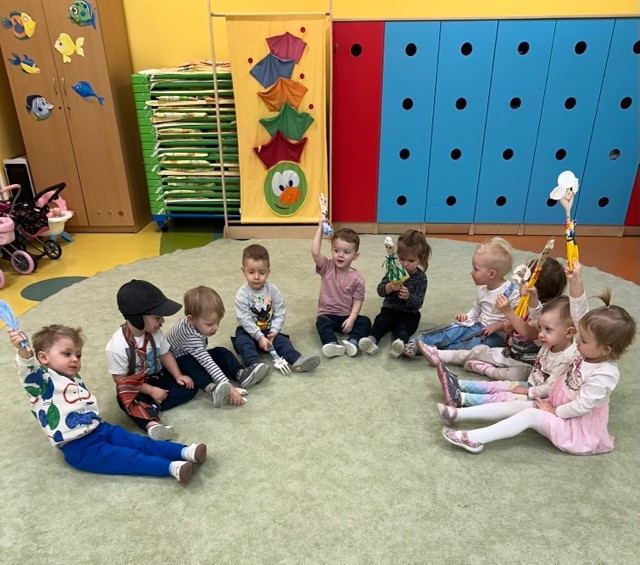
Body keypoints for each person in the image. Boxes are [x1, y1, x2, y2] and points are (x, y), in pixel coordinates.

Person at [439, 261, 636, 455]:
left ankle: (473, 438)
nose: (577, 342)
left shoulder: (604, 374)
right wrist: (575, 280)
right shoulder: (586, 352)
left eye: (583, 340)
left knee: (530, 415)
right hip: (555, 404)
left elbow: (581, 406)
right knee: (519, 404)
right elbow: (579, 312)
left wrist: (553, 411)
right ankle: (459, 414)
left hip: (574, 429)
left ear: (605, 349)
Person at [9, 324, 205, 483]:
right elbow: (28, 370)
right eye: (67, 354)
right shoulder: (41, 382)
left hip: (100, 429)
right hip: (79, 448)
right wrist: (24, 350)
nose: (75, 359)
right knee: (128, 458)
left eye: (78, 355)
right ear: (43, 357)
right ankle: (171, 468)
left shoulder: (72, 377)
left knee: (140, 443)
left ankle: (184, 451)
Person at [418, 257, 566, 381]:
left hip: (527, 364)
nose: (517, 284)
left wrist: (507, 312)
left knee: (514, 375)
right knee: (478, 351)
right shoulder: (523, 304)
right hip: (510, 354)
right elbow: (518, 332)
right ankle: (438, 354)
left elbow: (527, 331)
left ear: (534, 288)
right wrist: (509, 329)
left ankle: (486, 369)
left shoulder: (545, 315)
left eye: (522, 281)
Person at [430, 295, 577, 408]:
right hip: (530, 384)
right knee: (499, 385)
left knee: (502, 397)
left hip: (540, 397)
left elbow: (551, 388)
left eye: (548, 329)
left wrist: (528, 391)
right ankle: (458, 383)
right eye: (541, 328)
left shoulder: (568, 357)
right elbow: (535, 314)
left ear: (569, 332)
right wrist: (532, 293)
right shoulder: (548, 341)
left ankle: (463, 399)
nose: (541, 334)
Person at [106, 279, 198, 441]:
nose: (162, 321)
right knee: (123, 397)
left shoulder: (156, 333)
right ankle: (151, 424)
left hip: (158, 376)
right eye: (157, 317)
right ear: (137, 318)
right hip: (137, 386)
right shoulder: (117, 346)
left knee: (189, 385)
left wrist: (178, 376)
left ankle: (152, 406)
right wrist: (150, 390)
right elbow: (120, 380)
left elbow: (165, 354)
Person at [405, 236, 519, 353]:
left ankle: (435, 352)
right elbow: (476, 310)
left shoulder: (511, 291)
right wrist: (466, 316)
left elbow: (517, 319)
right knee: (450, 332)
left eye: (476, 269)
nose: (471, 272)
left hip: (495, 337)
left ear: (492, 274)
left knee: (470, 347)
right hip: (477, 325)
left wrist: (496, 326)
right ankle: (413, 344)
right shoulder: (482, 290)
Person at [167, 285, 270, 408]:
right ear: (191, 319)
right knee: (190, 364)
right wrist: (229, 388)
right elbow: (208, 363)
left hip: (192, 354)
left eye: (218, 322)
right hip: (176, 364)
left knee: (221, 352)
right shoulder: (190, 337)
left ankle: (240, 374)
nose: (216, 327)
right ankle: (212, 388)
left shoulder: (194, 322)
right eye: (210, 324)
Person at [232, 244, 320, 373]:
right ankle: (255, 366)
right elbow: (244, 319)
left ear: (268, 272)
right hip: (247, 330)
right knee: (243, 343)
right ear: (243, 271)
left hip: (269, 329)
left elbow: (280, 312)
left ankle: (297, 359)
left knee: (283, 342)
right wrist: (259, 336)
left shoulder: (272, 290)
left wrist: (274, 330)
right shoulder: (242, 294)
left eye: (261, 273)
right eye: (251, 272)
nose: (256, 277)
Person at [359, 230, 431, 358]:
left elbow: (419, 303)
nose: (405, 264)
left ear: (420, 259)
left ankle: (399, 344)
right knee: (380, 321)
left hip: (409, 313)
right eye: (402, 259)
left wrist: (408, 296)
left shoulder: (421, 278)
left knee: (405, 328)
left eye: (411, 260)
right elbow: (380, 291)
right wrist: (390, 287)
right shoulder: (393, 270)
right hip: (390, 309)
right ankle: (371, 340)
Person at [311, 216, 371, 357]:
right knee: (321, 322)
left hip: (346, 315)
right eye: (336, 250)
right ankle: (332, 343)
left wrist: (351, 319)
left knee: (365, 321)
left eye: (346, 252)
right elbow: (315, 252)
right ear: (331, 250)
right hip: (327, 314)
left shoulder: (358, 279)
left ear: (355, 255)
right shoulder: (327, 267)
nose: (340, 255)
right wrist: (320, 227)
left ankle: (353, 342)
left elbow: (358, 300)